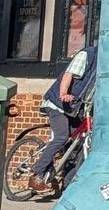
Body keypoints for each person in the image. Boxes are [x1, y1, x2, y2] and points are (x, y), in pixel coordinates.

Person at [33, 40, 98, 195]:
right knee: (62, 136)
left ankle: (67, 188)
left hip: (76, 108)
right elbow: (69, 74)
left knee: (76, 145)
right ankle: (37, 173)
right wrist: (63, 94)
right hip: (58, 104)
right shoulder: (88, 54)